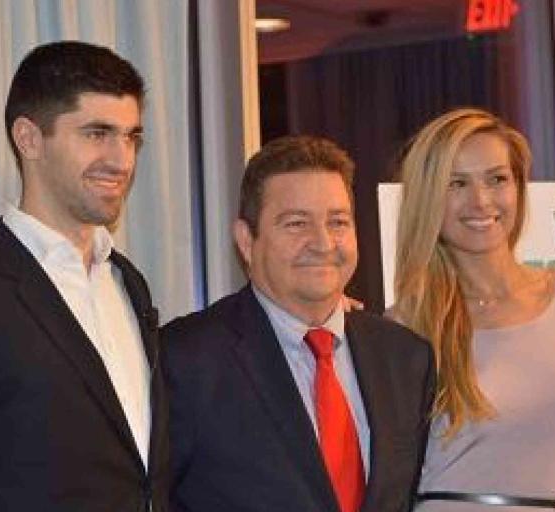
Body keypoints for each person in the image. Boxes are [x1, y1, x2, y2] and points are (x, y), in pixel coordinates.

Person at [0, 41, 169, 511]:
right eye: (97, 133)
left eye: (132, 137)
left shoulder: (129, 284)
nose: (122, 160)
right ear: (28, 138)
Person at [162, 135, 437, 512]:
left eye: (338, 222)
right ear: (246, 240)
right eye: (296, 224)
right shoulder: (184, 359)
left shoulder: (406, 358)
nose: (323, 243)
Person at [390, 108, 555, 511]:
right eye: (457, 183)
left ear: (519, 188)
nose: (481, 200)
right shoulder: (407, 323)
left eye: (497, 179)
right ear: (428, 196)